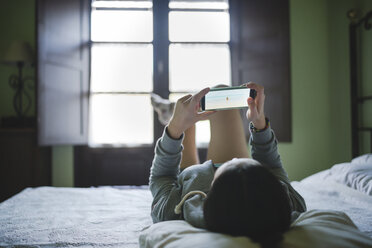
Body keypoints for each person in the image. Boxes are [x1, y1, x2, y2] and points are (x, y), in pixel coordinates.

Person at [149, 82, 306, 248]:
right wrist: (260, 124)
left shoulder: (174, 210)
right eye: (248, 164)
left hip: (188, 179)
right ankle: (172, 110)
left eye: (229, 164)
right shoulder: (289, 204)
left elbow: (161, 176)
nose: (235, 159)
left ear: (211, 192)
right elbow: (273, 166)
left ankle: (171, 112)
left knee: (184, 121)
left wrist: (174, 128)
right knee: (221, 93)